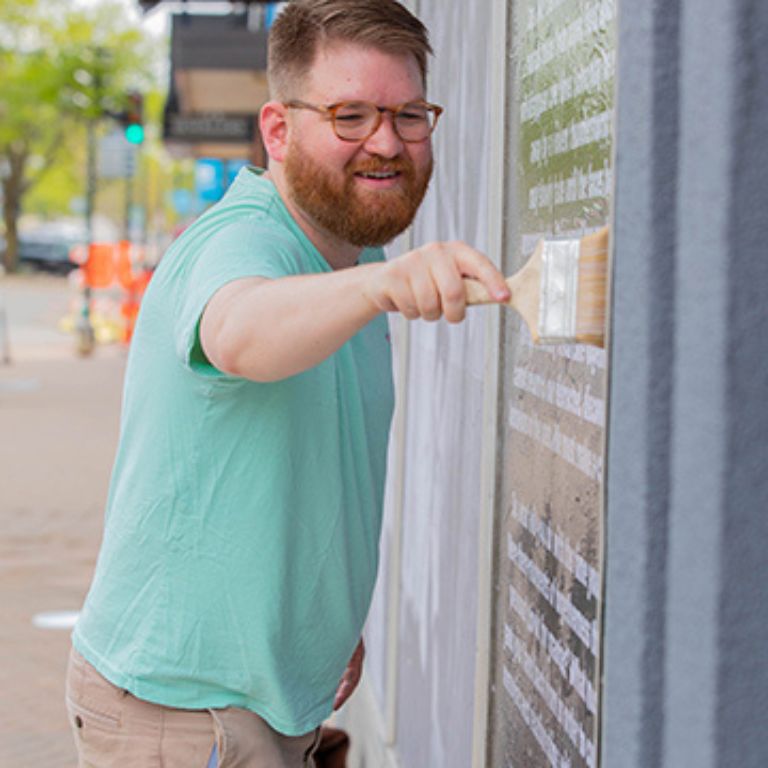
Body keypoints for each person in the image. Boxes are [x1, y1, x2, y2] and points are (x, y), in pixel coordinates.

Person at [65, 1, 510, 766]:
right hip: (183, 716)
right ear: (277, 130)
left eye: (409, 115)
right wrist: (383, 287)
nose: (386, 142)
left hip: (268, 702)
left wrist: (324, 623)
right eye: (350, 115)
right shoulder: (241, 240)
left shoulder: (354, 261)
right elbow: (237, 331)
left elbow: (307, 467)